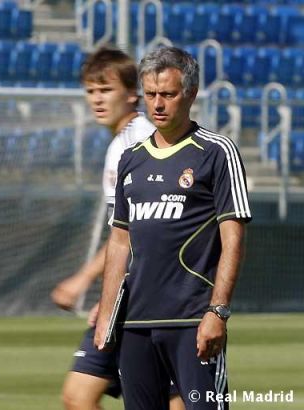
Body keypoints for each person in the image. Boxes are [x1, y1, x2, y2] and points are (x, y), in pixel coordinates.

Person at [94, 46, 251, 410]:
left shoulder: (217, 152)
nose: (158, 104)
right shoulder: (131, 159)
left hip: (192, 321)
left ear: (190, 94)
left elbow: (233, 239)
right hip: (135, 324)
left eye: (167, 94)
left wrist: (218, 311)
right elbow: (119, 242)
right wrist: (106, 315)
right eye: (150, 94)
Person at [51, 47, 184, 410]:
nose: (97, 99)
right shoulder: (121, 142)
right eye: (91, 91)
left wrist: (90, 284)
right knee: (78, 396)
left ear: (131, 94)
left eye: (106, 89)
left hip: (157, 297)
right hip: (132, 293)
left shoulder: (138, 141)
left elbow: (141, 231)